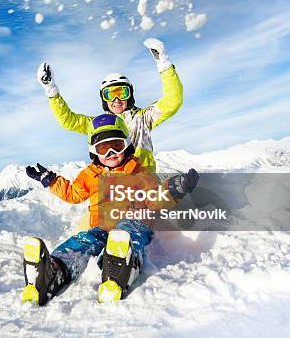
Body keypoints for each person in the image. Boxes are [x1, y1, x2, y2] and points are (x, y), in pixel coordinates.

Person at [23, 114, 199, 305]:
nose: (111, 153)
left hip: (134, 223)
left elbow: (156, 198)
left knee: (127, 231)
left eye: (117, 145)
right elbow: (73, 194)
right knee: (83, 241)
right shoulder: (90, 175)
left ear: (127, 145)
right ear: (94, 152)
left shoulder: (139, 173)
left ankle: (120, 266)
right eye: (103, 149)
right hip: (102, 227)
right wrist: (51, 180)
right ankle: (54, 270)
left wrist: (175, 189)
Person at [37, 38, 182, 173]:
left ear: (130, 95)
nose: (116, 100)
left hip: (144, 186)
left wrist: (164, 64)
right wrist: (51, 91)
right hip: (114, 189)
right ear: (104, 99)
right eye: (110, 95)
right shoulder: (98, 125)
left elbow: (172, 101)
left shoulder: (143, 118)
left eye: (122, 93)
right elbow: (69, 121)